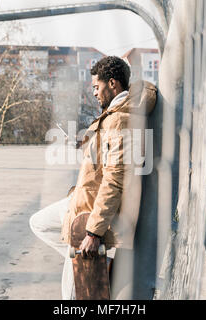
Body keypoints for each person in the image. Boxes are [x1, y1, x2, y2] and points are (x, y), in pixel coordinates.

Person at [30, 56, 157, 299]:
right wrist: (86, 142)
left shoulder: (120, 120)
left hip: (91, 212)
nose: (95, 93)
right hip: (84, 200)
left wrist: (93, 233)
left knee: (73, 276)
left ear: (112, 84)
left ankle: (87, 255)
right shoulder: (116, 112)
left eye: (96, 87)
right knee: (40, 223)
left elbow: (114, 179)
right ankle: (89, 257)